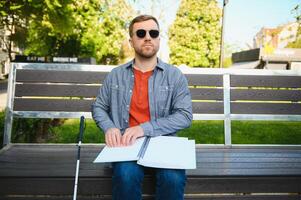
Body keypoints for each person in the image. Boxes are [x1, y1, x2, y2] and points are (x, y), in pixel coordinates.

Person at [92, 14, 193, 200]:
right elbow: (98, 107)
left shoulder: (174, 75)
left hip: (164, 143)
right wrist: (109, 127)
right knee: (125, 176)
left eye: (153, 33)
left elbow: (185, 115)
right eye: (141, 33)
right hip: (126, 144)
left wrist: (143, 128)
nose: (148, 37)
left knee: (172, 179)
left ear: (159, 39)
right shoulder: (115, 75)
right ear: (131, 41)